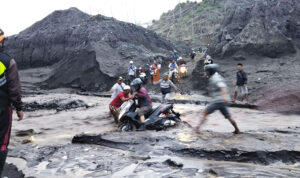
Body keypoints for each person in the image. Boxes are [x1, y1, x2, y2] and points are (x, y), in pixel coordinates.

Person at [0, 28, 24, 175]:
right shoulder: (7, 61)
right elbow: (14, 88)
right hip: (2, 107)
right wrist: (19, 107)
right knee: (2, 142)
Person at [194, 64, 240, 134]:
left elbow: (223, 87)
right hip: (222, 101)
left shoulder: (216, 78)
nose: (205, 72)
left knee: (205, 112)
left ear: (210, 72)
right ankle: (237, 130)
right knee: (228, 116)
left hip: (218, 101)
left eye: (206, 71)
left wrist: (224, 97)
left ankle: (198, 128)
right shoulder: (215, 76)